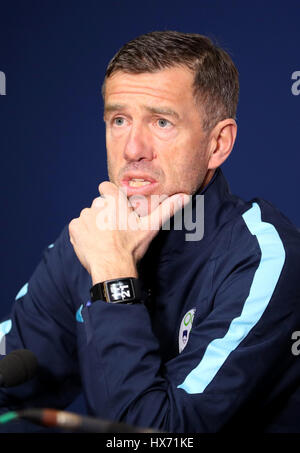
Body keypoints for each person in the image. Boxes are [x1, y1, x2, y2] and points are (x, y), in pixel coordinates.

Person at [1, 30, 300, 433]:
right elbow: (14, 369)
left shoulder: (264, 259)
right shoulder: (90, 240)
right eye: (119, 120)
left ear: (218, 144)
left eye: (162, 121)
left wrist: (111, 272)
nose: (132, 149)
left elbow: (155, 436)